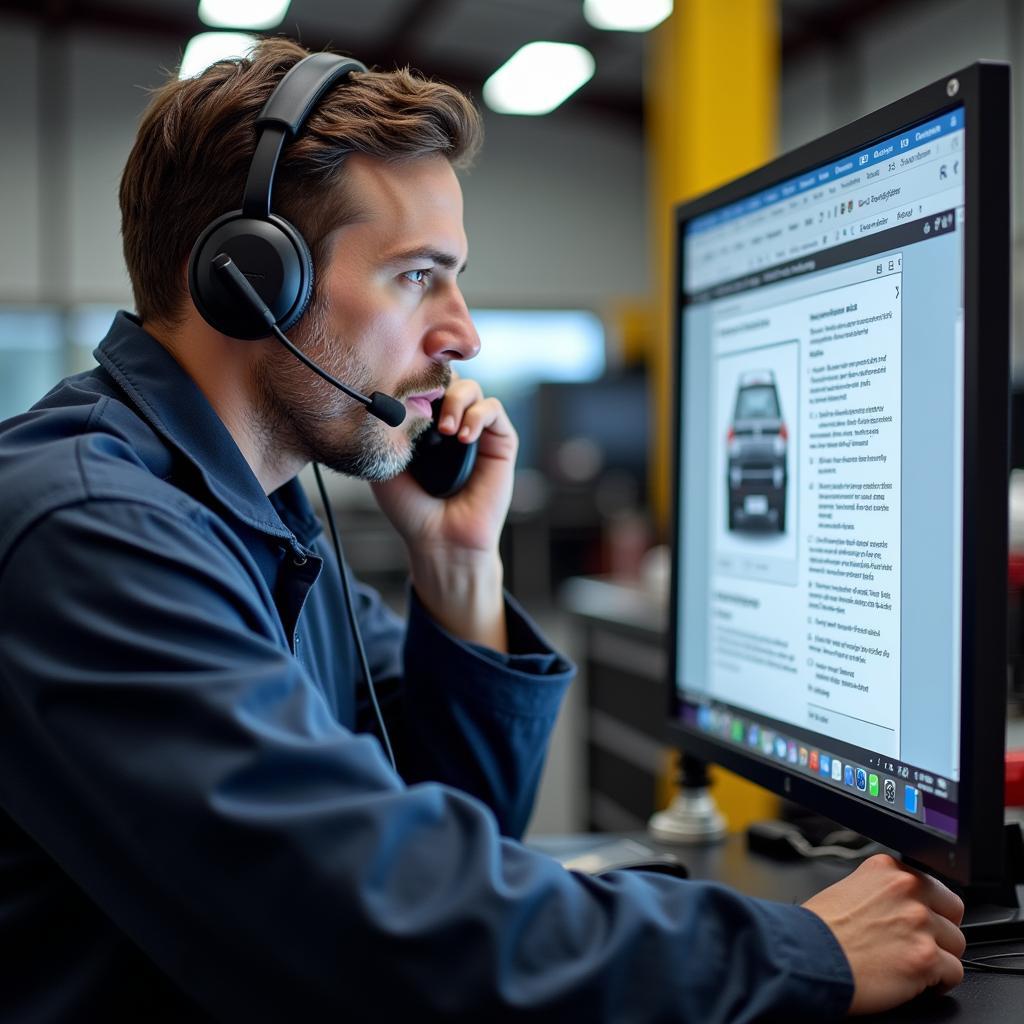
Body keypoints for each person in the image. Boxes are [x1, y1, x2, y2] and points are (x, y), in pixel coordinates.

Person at [0, 37, 966, 1022]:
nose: (464, 335)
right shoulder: (90, 533)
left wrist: (456, 565)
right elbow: (385, 925)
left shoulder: (266, 512)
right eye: (418, 275)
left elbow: (450, 831)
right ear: (252, 282)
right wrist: (804, 952)